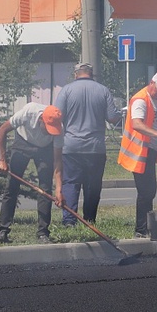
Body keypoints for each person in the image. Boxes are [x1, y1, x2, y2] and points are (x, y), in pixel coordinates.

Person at [53, 62, 121, 226]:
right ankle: (89, 220)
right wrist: (119, 113)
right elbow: (112, 117)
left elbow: (57, 115)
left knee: (71, 183)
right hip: (95, 148)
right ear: (91, 74)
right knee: (93, 186)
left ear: (76, 74)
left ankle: (69, 221)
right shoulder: (103, 90)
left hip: (71, 146)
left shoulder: (66, 90)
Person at [0, 103, 64, 244]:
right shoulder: (28, 112)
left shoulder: (58, 129)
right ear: (40, 121)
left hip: (45, 150)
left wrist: (59, 190)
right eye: (48, 129)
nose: (51, 133)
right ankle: (3, 231)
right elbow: (2, 130)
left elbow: (57, 161)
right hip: (23, 142)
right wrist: (2, 159)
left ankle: (43, 233)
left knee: (45, 189)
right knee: (12, 186)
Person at [118, 71, 157, 238]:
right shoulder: (140, 100)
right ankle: (140, 229)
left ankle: (147, 227)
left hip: (150, 150)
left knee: (150, 191)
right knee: (145, 192)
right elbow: (137, 124)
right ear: (152, 83)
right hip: (138, 152)